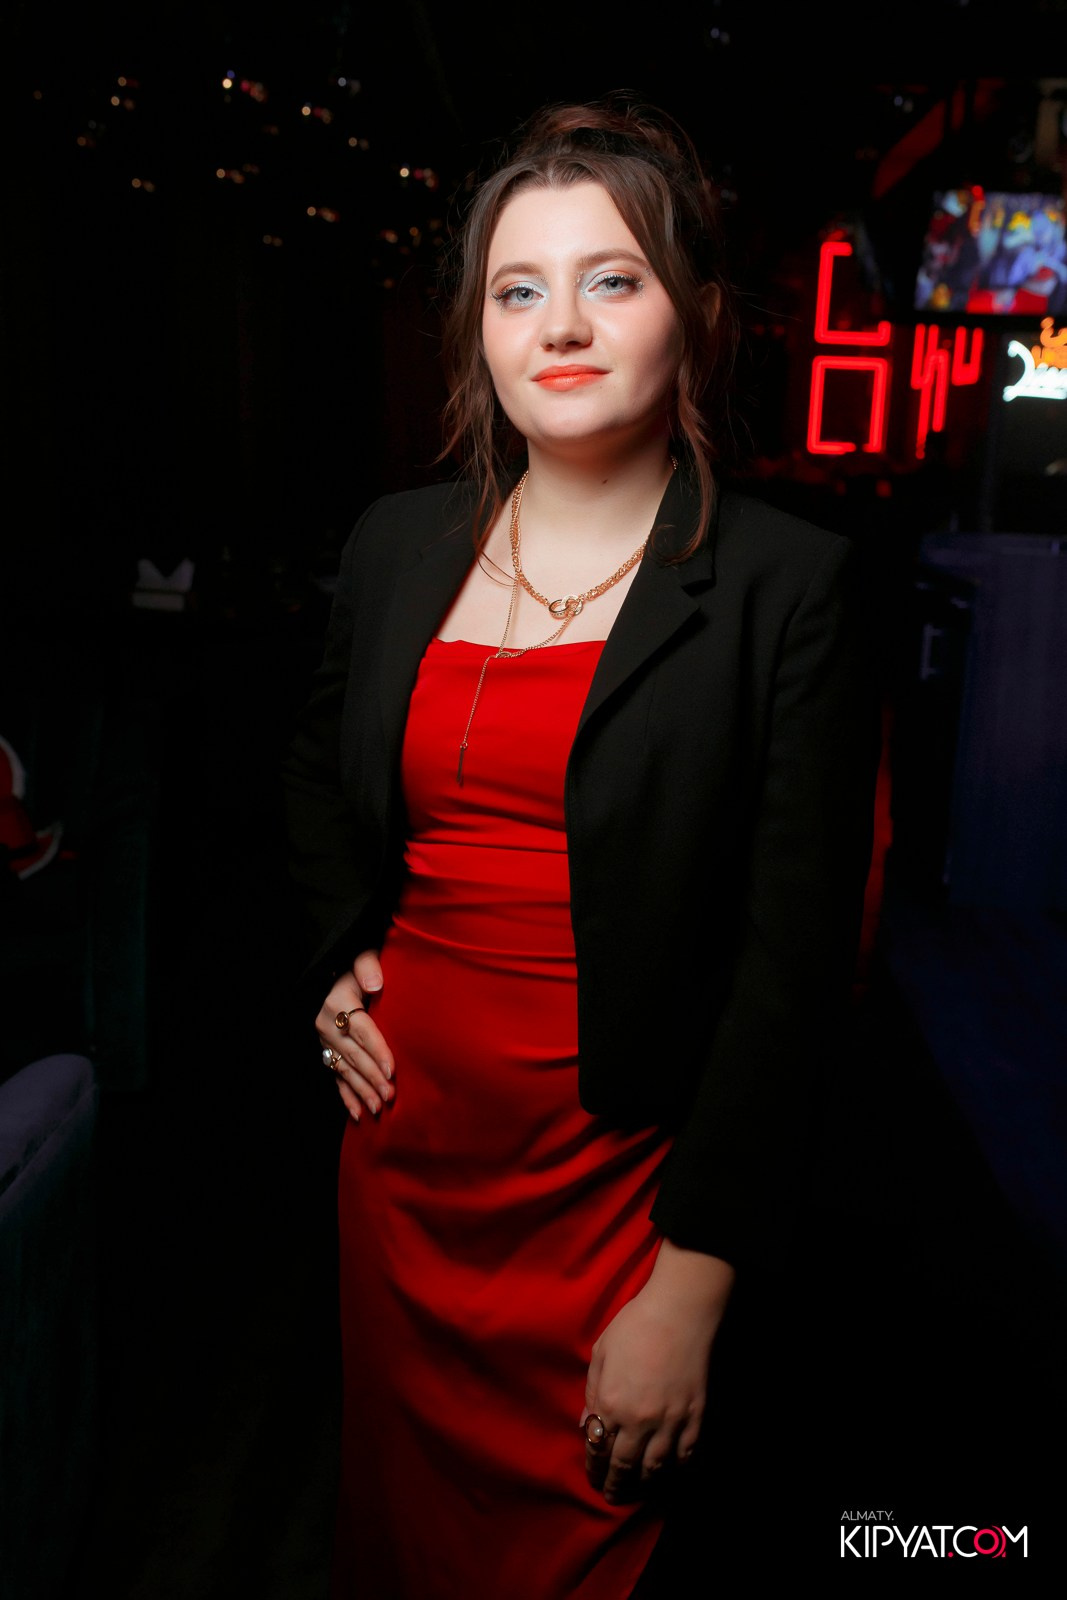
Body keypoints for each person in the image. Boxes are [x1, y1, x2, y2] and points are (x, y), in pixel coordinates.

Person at [283, 95, 879, 1598]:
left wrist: (695, 1282)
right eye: (518, 288)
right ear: (476, 331)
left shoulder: (788, 585)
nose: (561, 324)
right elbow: (312, 778)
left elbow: (798, 970)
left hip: (625, 1192)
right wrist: (337, 958)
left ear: (701, 317)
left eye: (612, 279)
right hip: (406, 1171)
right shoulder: (395, 544)